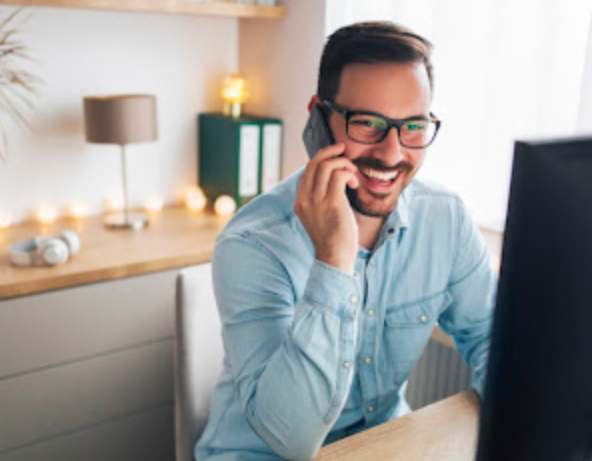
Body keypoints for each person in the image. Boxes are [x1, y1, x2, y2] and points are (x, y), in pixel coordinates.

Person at [195, 21, 497, 461]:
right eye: (367, 123)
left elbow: (493, 337)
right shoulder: (252, 244)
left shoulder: (445, 218)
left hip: (383, 446)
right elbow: (293, 441)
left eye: (412, 126)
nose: (392, 154)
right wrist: (334, 257)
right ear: (319, 118)